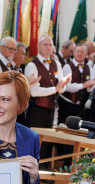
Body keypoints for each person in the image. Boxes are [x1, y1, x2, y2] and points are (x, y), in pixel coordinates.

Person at [24, 35, 70, 169]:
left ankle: (42, 168)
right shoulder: (32, 65)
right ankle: (28, 168)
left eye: (50, 45)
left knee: (46, 141)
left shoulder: (57, 64)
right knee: (34, 140)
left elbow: (61, 89)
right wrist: (55, 89)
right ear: (38, 47)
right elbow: (33, 91)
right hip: (37, 108)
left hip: (51, 108)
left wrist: (63, 86)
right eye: (45, 44)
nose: (49, 47)